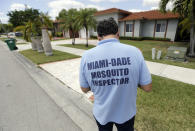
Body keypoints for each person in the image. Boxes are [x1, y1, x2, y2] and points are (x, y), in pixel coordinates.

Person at [79, 17, 152, 131]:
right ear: (118, 34)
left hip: (102, 114)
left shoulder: (86, 56)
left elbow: (84, 89)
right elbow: (147, 87)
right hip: (126, 114)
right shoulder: (135, 52)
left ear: (98, 37)